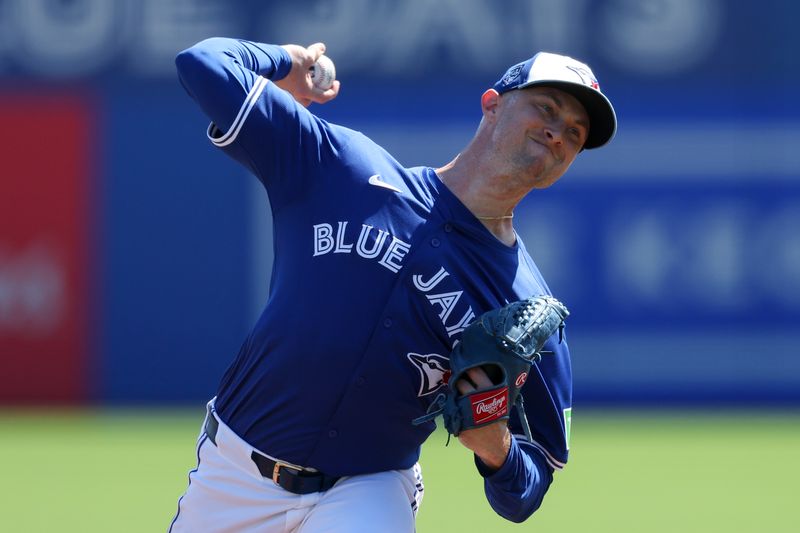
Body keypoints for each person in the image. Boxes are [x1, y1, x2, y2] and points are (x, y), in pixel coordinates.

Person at [170, 36, 616, 532]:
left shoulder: (527, 304)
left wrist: (495, 445)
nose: (558, 133)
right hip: (234, 474)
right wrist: (286, 62)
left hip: (370, 488)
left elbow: (530, 488)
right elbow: (202, 64)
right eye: (547, 109)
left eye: (575, 133)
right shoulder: (341, 169)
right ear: (492, 105)